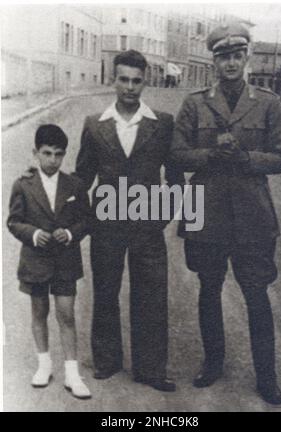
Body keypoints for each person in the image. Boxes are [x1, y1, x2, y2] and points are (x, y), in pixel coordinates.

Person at [171, 23, 281, 405]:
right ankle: (213, 363)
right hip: (206, 212)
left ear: (247, 58)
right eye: (224, 57)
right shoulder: (194, 102)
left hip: (252, 216)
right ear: (215, 62)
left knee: (256, 294)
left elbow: (280, 159)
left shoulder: (268, 102)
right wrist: (208, 155)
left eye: (238, 56)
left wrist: (246, 159)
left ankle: (267, 377)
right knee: (209, 289)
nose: (231, 63)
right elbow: (176, 154)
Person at [75, 50, 184, 392]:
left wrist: (161, 217)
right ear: (113, 79)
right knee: (105, 292)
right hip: (106, 224)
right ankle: (106, 361)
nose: (130, 87)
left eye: (137, 80)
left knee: (151, 294)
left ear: (145, 81)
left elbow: (176, 179)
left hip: (146, 225)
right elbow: (82, 178)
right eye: (124, 79)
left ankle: (151, 368)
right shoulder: (95, 124)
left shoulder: (162, 122)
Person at [7, 124, 91, 399]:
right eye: (47, 153)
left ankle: (72, 372)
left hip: (65, 260)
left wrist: (69, 233)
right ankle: (44, 365)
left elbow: (86, 220)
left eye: (58, 154)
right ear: (36, 153)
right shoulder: (23, 183)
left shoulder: (75, 185)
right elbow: (14, 221)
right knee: (39, 313)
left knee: (66, 314)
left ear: (64, 155)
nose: (52, 160)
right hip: (36, 261)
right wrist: (33, 234)